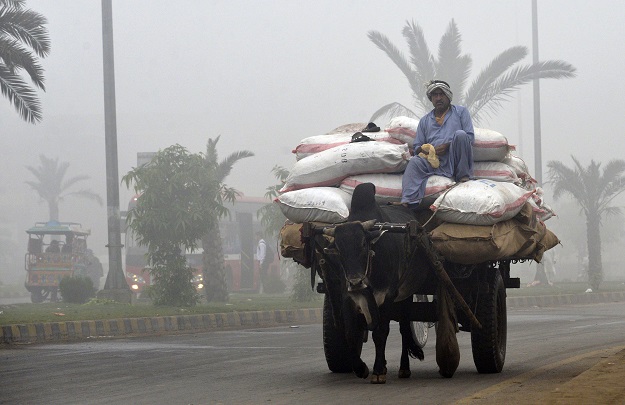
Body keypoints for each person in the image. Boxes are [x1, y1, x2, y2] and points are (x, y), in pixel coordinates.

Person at [401, 80, 475, 208]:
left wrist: (448, 146)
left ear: (448, 96)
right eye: (435, 95)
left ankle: (463, 176)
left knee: (461, 135)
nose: (438, 98)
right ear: (431, 99)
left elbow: (470, 137)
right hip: (433, 161)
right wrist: (428, 151)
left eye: (442, 94)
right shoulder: (425, 121)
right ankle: (408, 201)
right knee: (414, 162)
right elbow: (417, 146)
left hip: (454, 158)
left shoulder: (461, 112)